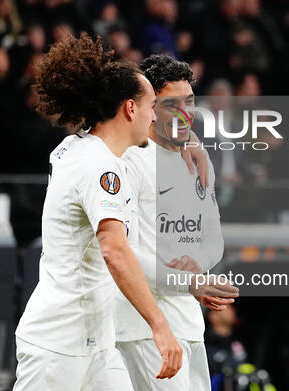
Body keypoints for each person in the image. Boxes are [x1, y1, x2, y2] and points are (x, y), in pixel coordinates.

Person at [13, 33, 182, 391]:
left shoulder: (77, 149)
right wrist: (160, 325)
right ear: (130, 108)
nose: (155, 117)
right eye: (152, 105)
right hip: (58, 343)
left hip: (99, 345)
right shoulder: (99, 167)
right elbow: (113, 248)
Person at [114, 54, 238, 390]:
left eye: (190, 102)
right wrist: (189, 282)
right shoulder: (126, 160)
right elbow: (120, 251)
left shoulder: (199, 157)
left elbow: (213, 238)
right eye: (172, 104)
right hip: (143, 327)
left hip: (189, 325)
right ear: (149, 107)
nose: (185, 113)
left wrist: (195, 263)